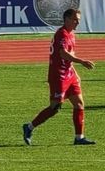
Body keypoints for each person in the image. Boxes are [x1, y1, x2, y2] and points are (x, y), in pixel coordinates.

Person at [22, 8, 96, 146]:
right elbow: (63, 54)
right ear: (66, 19)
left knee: (79, 104)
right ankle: (29, 127)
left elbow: (68, 57)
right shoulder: (61, 34)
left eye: (78, 20)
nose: (77, 23)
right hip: (59, 76)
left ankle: (79, 137)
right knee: (54, 107)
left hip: (69, 73)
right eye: (75, 20)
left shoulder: (71, 34)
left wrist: (75, 72)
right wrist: (81, 62)